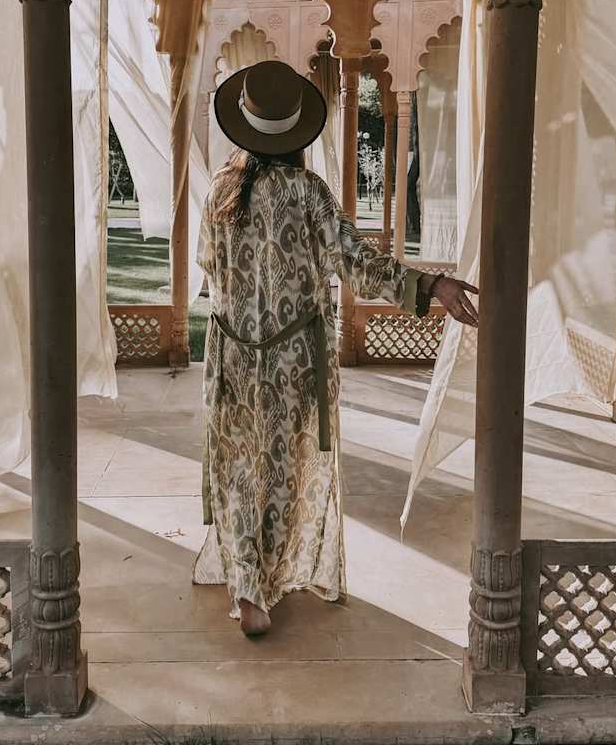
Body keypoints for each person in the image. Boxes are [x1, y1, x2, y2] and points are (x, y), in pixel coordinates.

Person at [192, 60, 479, 636]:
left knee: (240, 466)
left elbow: (208, 266)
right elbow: (357, 263)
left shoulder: (222, 190)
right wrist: (428, 284)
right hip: (293, 362)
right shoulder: (308, 194)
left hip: (232, 356)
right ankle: (260, 585)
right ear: (295, 134)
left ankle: (246, 582)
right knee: (281, 469)